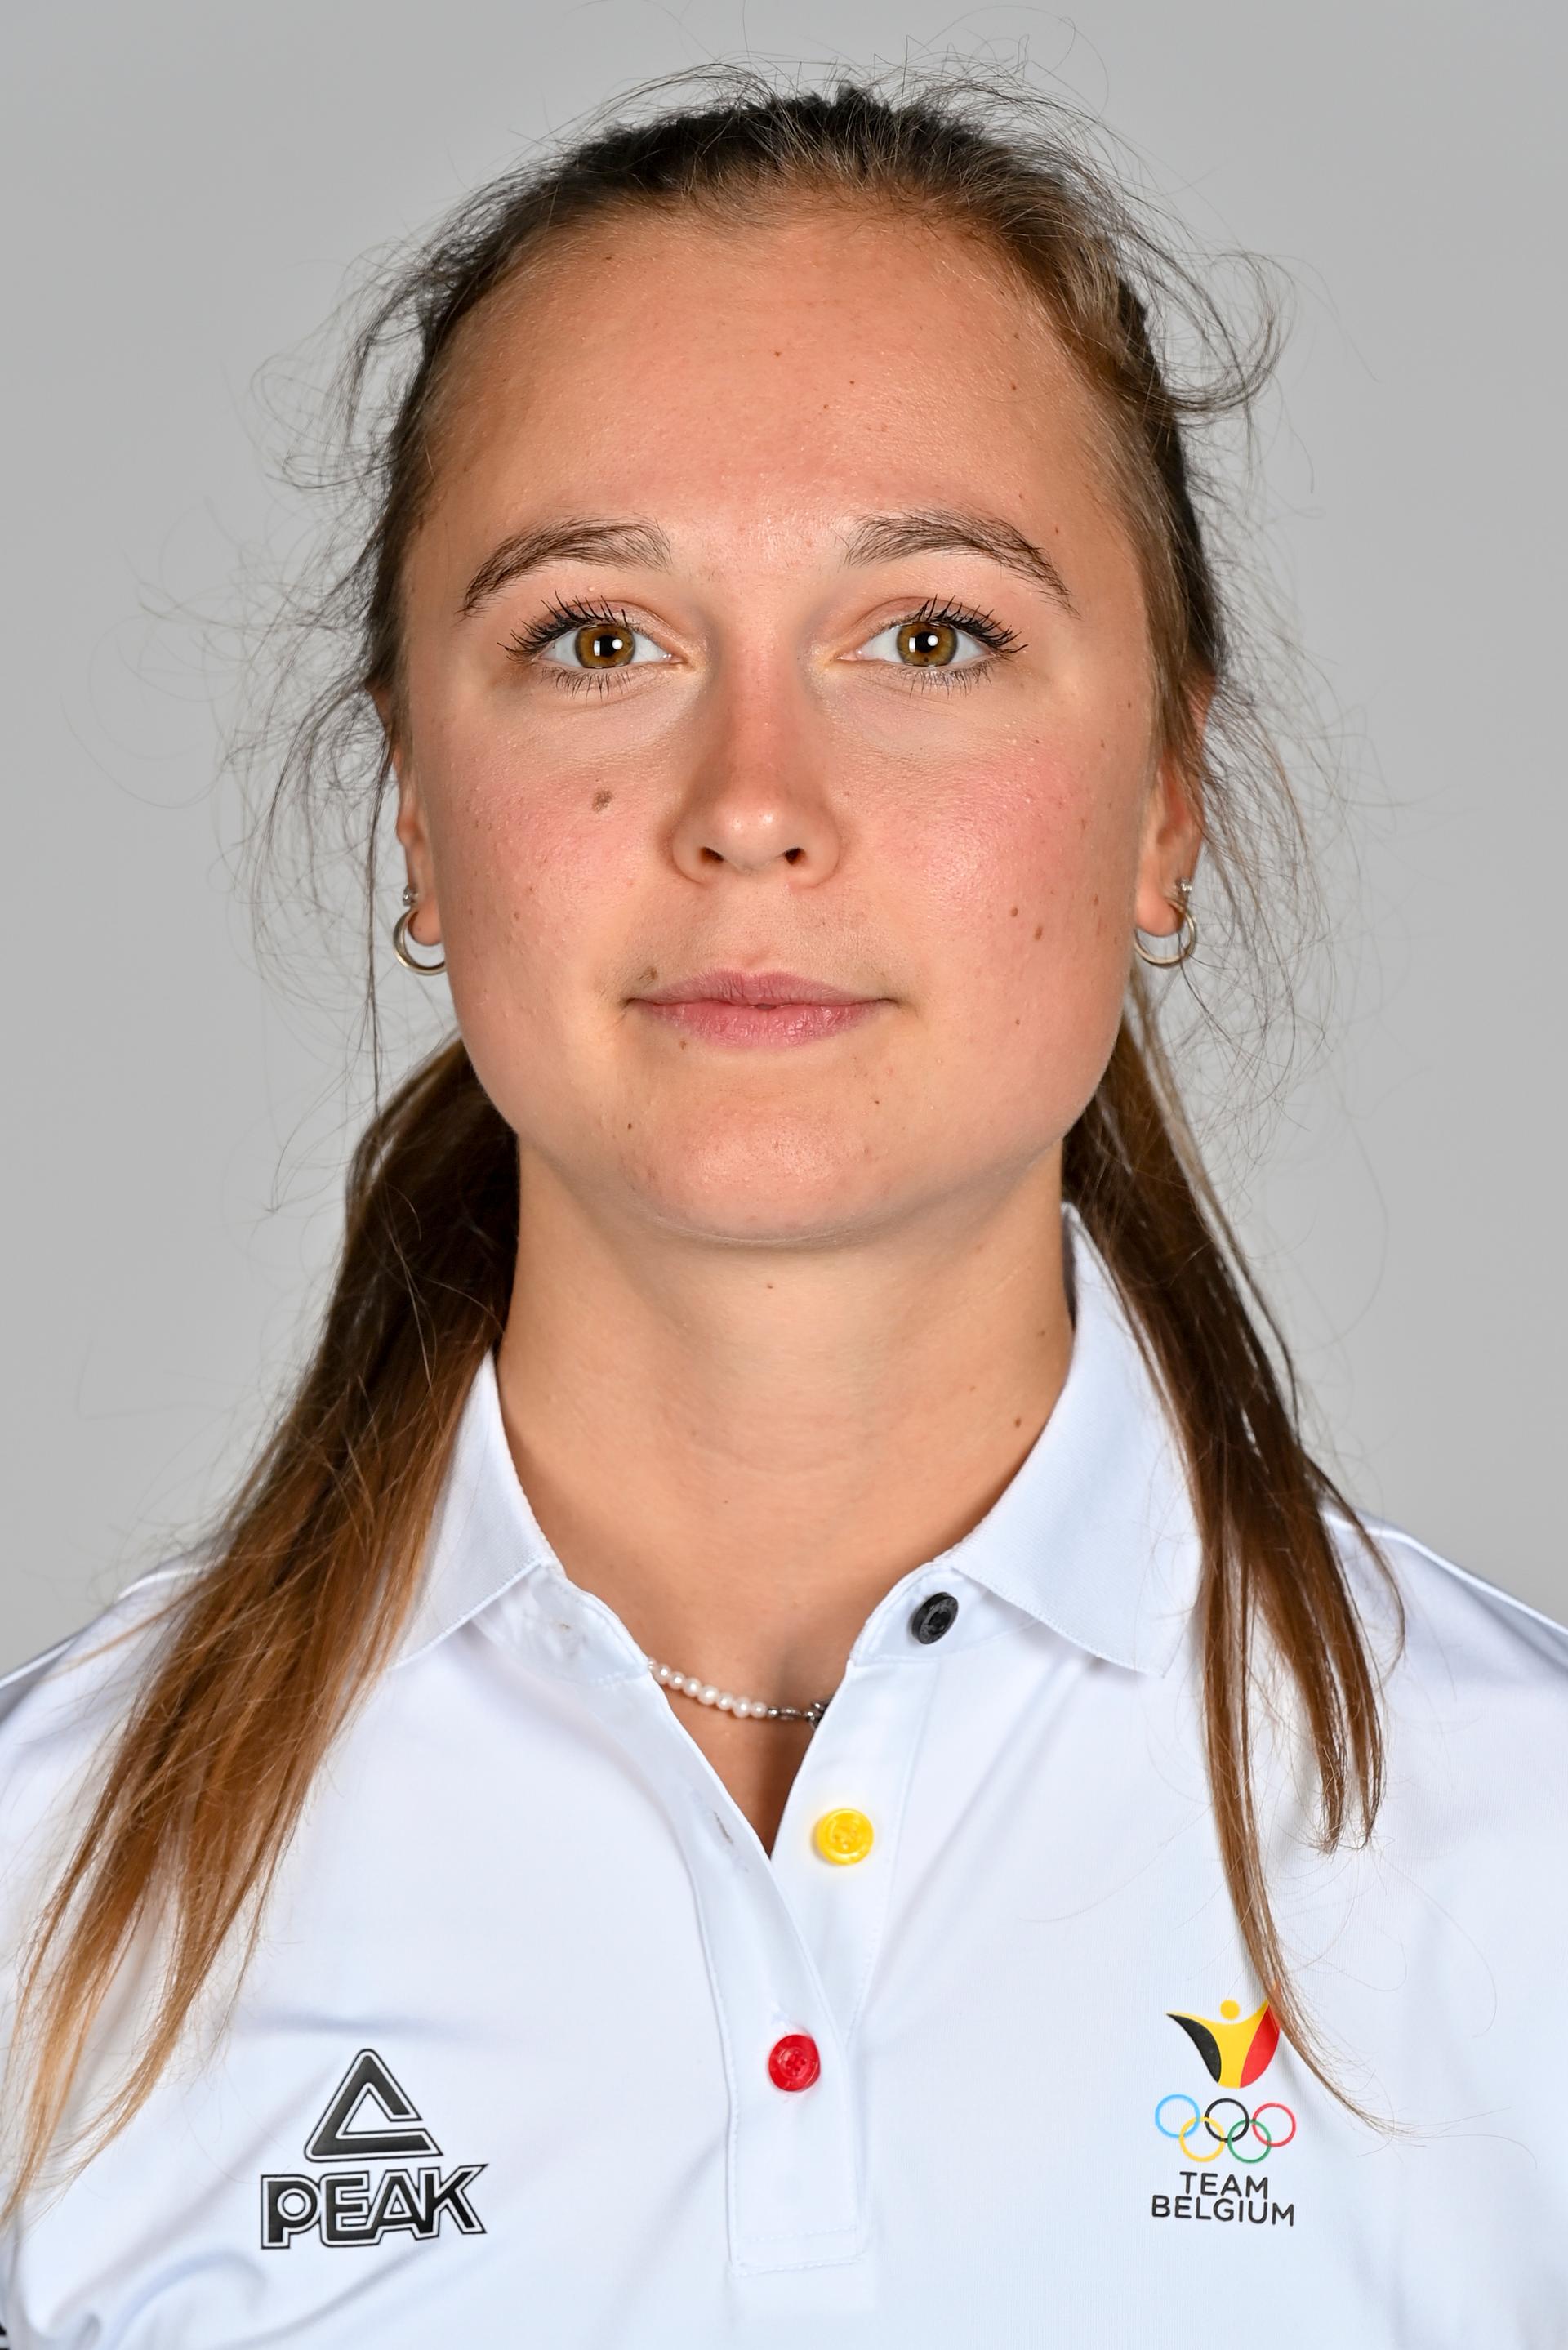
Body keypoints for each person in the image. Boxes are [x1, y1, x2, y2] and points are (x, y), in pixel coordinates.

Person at [1, 60, 1563, 2348]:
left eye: (929, 635)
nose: (752, 804)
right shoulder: (46, 1899)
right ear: (423, 824)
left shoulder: (1529, 1879)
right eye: (596, 639)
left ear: (1164, 806)